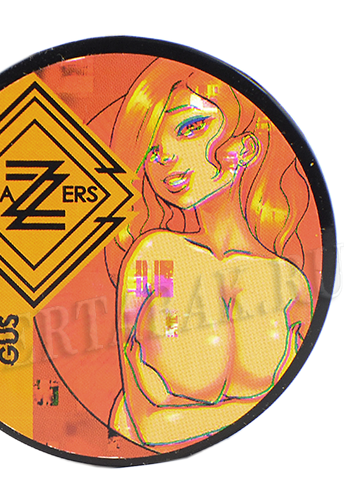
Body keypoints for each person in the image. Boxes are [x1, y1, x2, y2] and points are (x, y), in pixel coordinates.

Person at [101, 59, 316, 449]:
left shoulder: (289, 283)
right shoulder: (154, 259)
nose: (165, 156)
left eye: (190, 128)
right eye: (151, 147)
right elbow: (149, 427)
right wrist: (253, 409)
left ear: (245, 148)